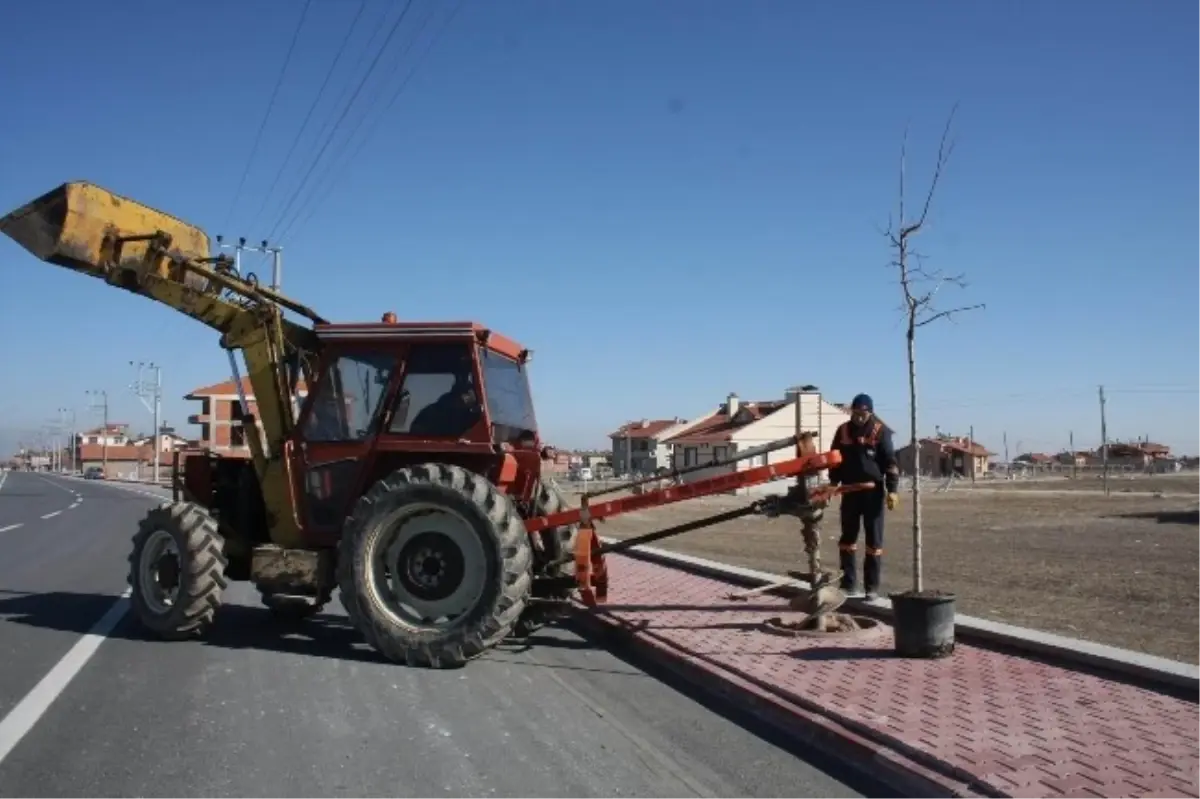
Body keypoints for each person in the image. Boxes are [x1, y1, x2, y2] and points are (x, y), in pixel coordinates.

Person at [827, 393, 900, 600]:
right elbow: (834, 460)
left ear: (870, 412)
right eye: (856, 413)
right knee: (847, 539)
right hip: (849, 491)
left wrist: (892, 490)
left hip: (872, 492)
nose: (859, 417)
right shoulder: (842, 431)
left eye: (863, 413)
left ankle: (871, 588)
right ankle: (848, 585)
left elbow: (890, 463)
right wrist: (833, 484)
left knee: (873, 541)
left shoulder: (880, 431)